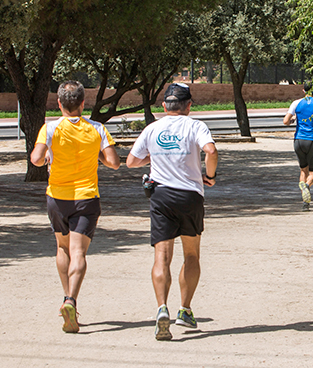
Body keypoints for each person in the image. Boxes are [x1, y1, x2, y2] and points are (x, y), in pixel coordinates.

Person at [126, 82, 218, 341]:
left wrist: (154, 158)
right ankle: (185, 310)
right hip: (190, 196)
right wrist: (209, 175)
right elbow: (211, 150)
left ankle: (161, 309)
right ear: (189, 106)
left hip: (161, 196)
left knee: (161, 258)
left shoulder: (152, 128)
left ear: (164, 106)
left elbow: (131, 162)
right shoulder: (195, 126)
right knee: (191, 255)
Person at [30, 81, 121, 333]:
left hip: (57, 197)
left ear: (59, 103)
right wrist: (99, 155)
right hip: (87, 198)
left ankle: (65, 297)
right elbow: (114, 163)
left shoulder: (50, 128)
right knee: (79, 252)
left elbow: (36, 159)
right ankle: (72, 299)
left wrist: (48, 154)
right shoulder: (97, 128)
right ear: (83, 103)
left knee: (62, 247)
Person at [283, 81, 313, 211]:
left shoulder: (296, 103)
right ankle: (307, 186)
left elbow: (285, 121)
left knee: (304, 170)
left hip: (298, 141)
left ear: (303, 91)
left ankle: (305, 203)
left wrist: (293, 120)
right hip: (312, 140)